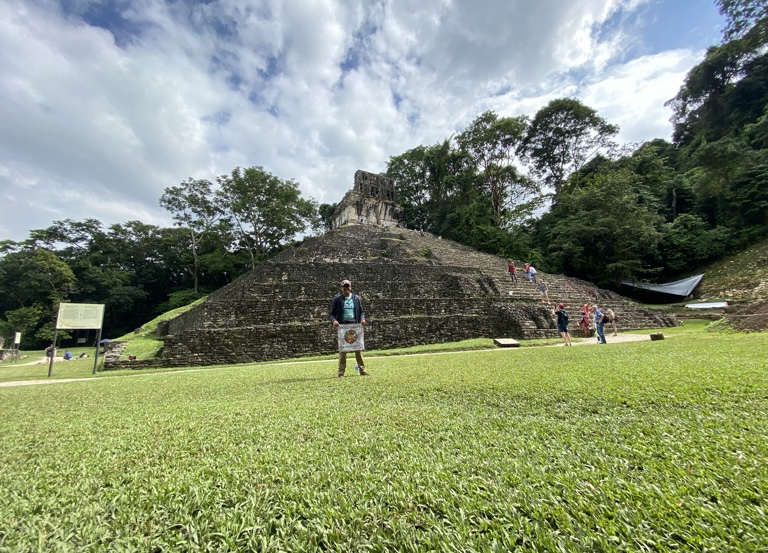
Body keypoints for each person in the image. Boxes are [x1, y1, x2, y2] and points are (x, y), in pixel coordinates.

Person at [329, 279, 369, 378]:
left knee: (358, 349)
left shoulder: (356, 298)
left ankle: (362, 370)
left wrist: (362, 319)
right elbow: (332, 314)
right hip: (343, 326)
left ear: (350, 287)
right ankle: (341, 372)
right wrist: (334, 321)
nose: (346, 288)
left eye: (348, 286)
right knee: (343, 351)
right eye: (344, 287)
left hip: (355, 325)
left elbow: (361, 312)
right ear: (341, 288)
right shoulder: (337, 299)